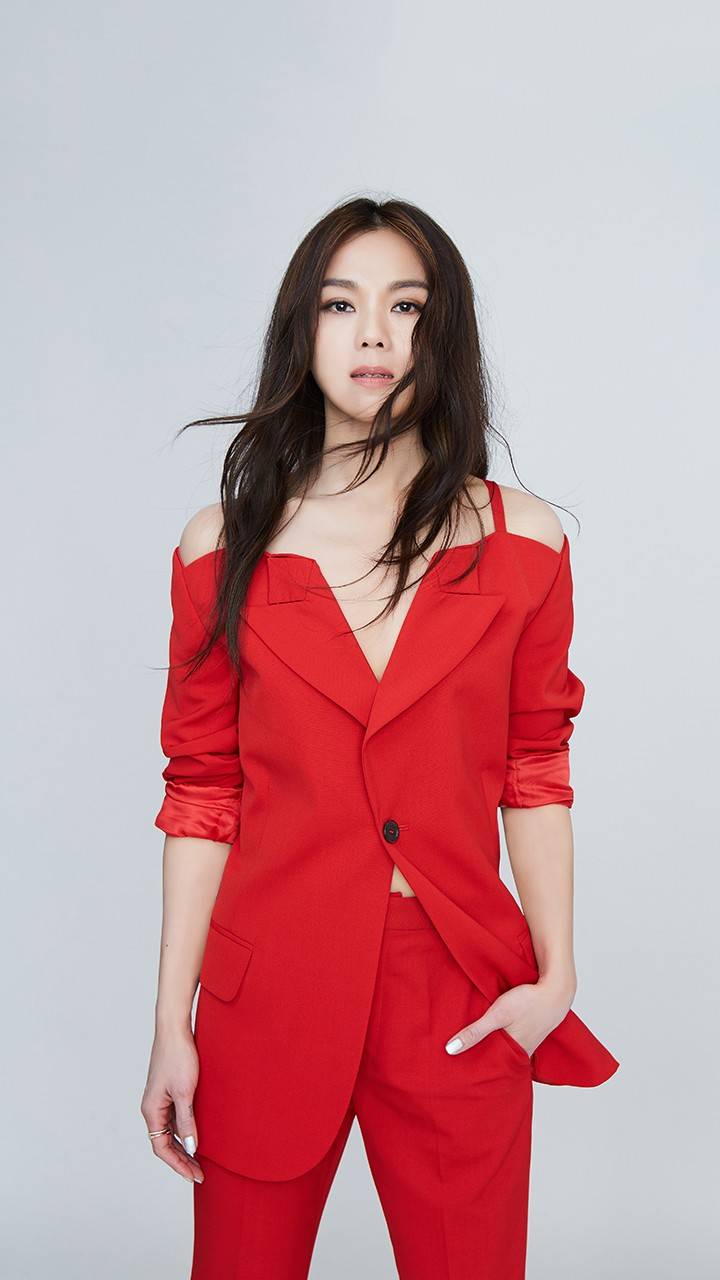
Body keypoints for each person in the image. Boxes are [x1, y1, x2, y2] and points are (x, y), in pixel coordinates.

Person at [140, 197, 619, 1280]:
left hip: (456, 986)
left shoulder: (525, 540)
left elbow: (536, 767)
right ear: (301, 330)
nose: (372, 334)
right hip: (269, 986)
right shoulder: (221, 548)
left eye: (406, 305)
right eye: (339, 304)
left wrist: (555, 973)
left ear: (441, 332)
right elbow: (203, 791)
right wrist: (172, 1021)